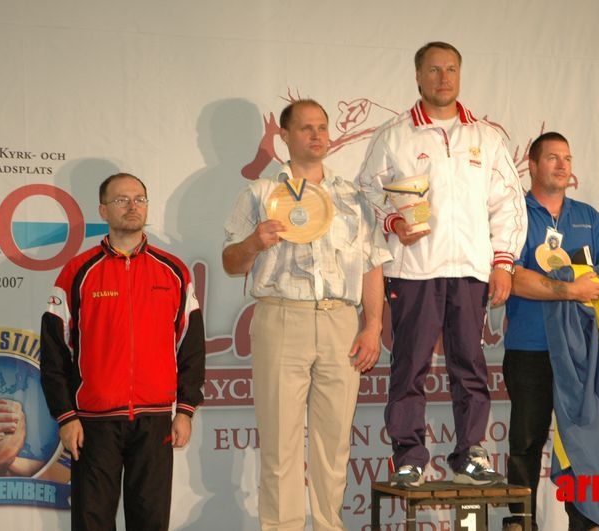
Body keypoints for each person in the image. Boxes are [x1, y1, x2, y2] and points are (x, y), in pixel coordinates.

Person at [356, 41, 527, 488]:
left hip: (470, 271)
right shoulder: (394, 136)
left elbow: (507, 203)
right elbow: (366, 195)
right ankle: (409, 455)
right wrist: (392, 220)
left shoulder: (486, 138)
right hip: (414, 270)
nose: (443, 78)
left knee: (469, 364)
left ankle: (470, 451)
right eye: (433, 70)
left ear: (460, 75)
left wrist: (503, 261)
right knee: (410, 365)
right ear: (417, 76)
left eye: (451, 69)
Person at [222, 99, 391, 530]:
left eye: (322, 127)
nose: (316, 135)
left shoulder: (353, 196)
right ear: (284, 137)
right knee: (280, 445)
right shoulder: (260, 193)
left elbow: (372, 263)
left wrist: (372, 326)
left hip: (340, 321)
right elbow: (230, 262)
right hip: (282, 318)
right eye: (305, 128)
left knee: (333, 446)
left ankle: (329, 525)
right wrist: (255, 244)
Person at [40, 172, 206, 531]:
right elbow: (54, 353)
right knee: (92, 521)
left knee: (150, 521)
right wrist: (66, 416)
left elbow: (191, 346)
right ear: (103, 209)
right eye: (121, 200)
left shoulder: (174, 271)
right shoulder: (76, 272)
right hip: (94, 422)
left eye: (140, 199)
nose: (133, 207)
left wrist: (187, 409)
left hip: (155, 419)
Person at [501, 132, 599, 531]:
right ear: (532, 166)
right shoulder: (513, 215)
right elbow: (511, 278)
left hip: (583, 353)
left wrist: (588, 276)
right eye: (552, 157)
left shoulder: (589, 217)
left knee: (584, 444)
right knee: (525, 445)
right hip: (531, 349)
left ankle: (587, 522)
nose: (562, 165)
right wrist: (571, 287)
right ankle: (521, 524)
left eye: (567, 158)